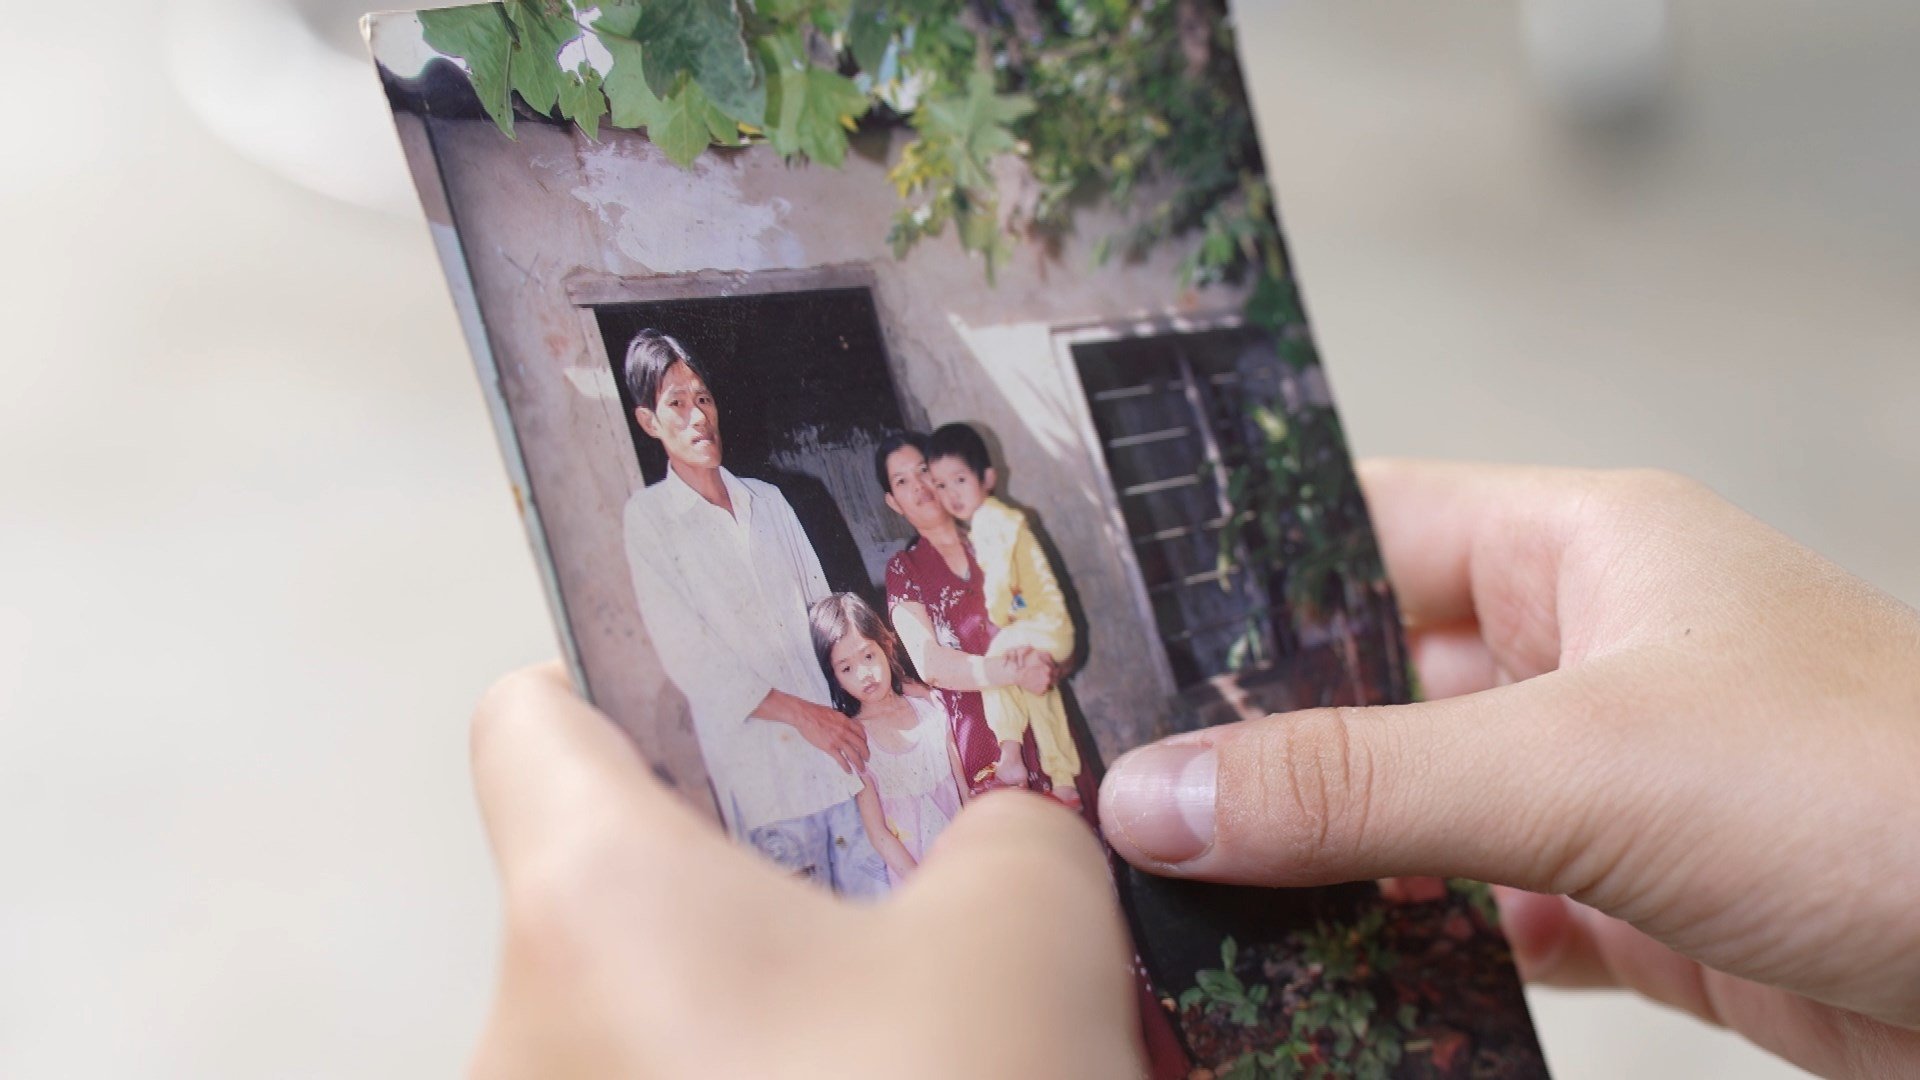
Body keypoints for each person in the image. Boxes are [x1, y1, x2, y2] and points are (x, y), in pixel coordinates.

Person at [468, 462, 1920, 1080]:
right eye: (914, 488)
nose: (929, 500)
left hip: (1018, 752)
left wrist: (1000, 671)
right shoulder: (906, 592)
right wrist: (963, 688)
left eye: (943, 482)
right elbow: (935, 698)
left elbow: (1038, 640)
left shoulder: (1004, 547)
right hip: (976, 764)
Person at [618, 329, 888, 898]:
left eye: (704, 399)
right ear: (649, 422)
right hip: (768, 787)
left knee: (880, 935)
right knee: (808, 958)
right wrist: (802, 715)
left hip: (843, 765)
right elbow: (690, 658)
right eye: (676, 403)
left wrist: (872, 696)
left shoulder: (769, 501)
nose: (698, 418)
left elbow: (823, 614)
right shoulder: (651, 520)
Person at [875, 431, 1058, 797]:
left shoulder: (1000, 538)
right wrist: (1014, 671)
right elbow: (932, 665)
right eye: (901, 481)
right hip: (984, 742)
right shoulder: (904, 571)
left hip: (1048, 723)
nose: (919, 486)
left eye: (924, 470)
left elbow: (1055, 625)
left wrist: (1053, 663)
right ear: (893, 502)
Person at [927, 423, 1083, 806]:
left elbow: (999, 581)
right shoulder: (994, 518)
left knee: (998, 655)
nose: (952, 494)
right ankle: (1063, 781)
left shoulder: (990, 521)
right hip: (1048, 627)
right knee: (1036, 688)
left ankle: (1009, 748)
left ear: (988, 478)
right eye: (941, 485)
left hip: (1043, 624)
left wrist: (1002, 621)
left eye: (960, 480)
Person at [810, 592, 968, 885]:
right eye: (847, 668)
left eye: (868, 656)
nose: (865, 674)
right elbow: (879, 833)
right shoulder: (856, 741)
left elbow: (964, 790)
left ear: (886, 645)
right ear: (836, 678)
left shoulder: (932, 712)